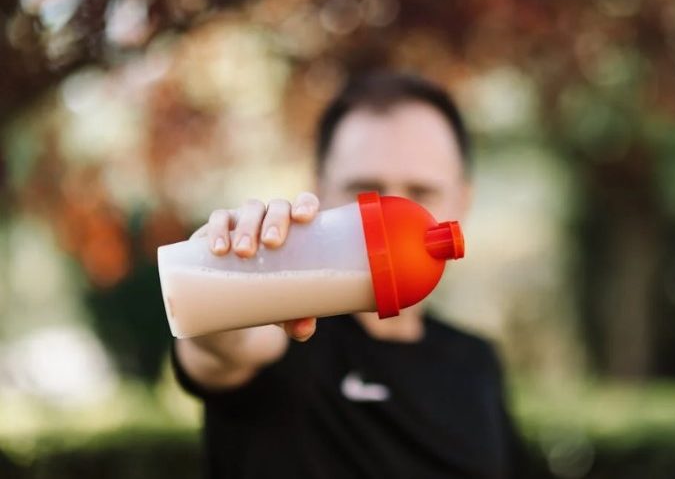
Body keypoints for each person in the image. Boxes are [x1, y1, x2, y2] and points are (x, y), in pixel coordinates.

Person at [172, 72, 545, 478]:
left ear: (462, 202)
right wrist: (222, 273)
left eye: (421, 193)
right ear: (318, 190)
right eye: (366, 190)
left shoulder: (474, 362)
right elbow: (225, 346)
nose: (392, 216)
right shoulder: (282, 331)